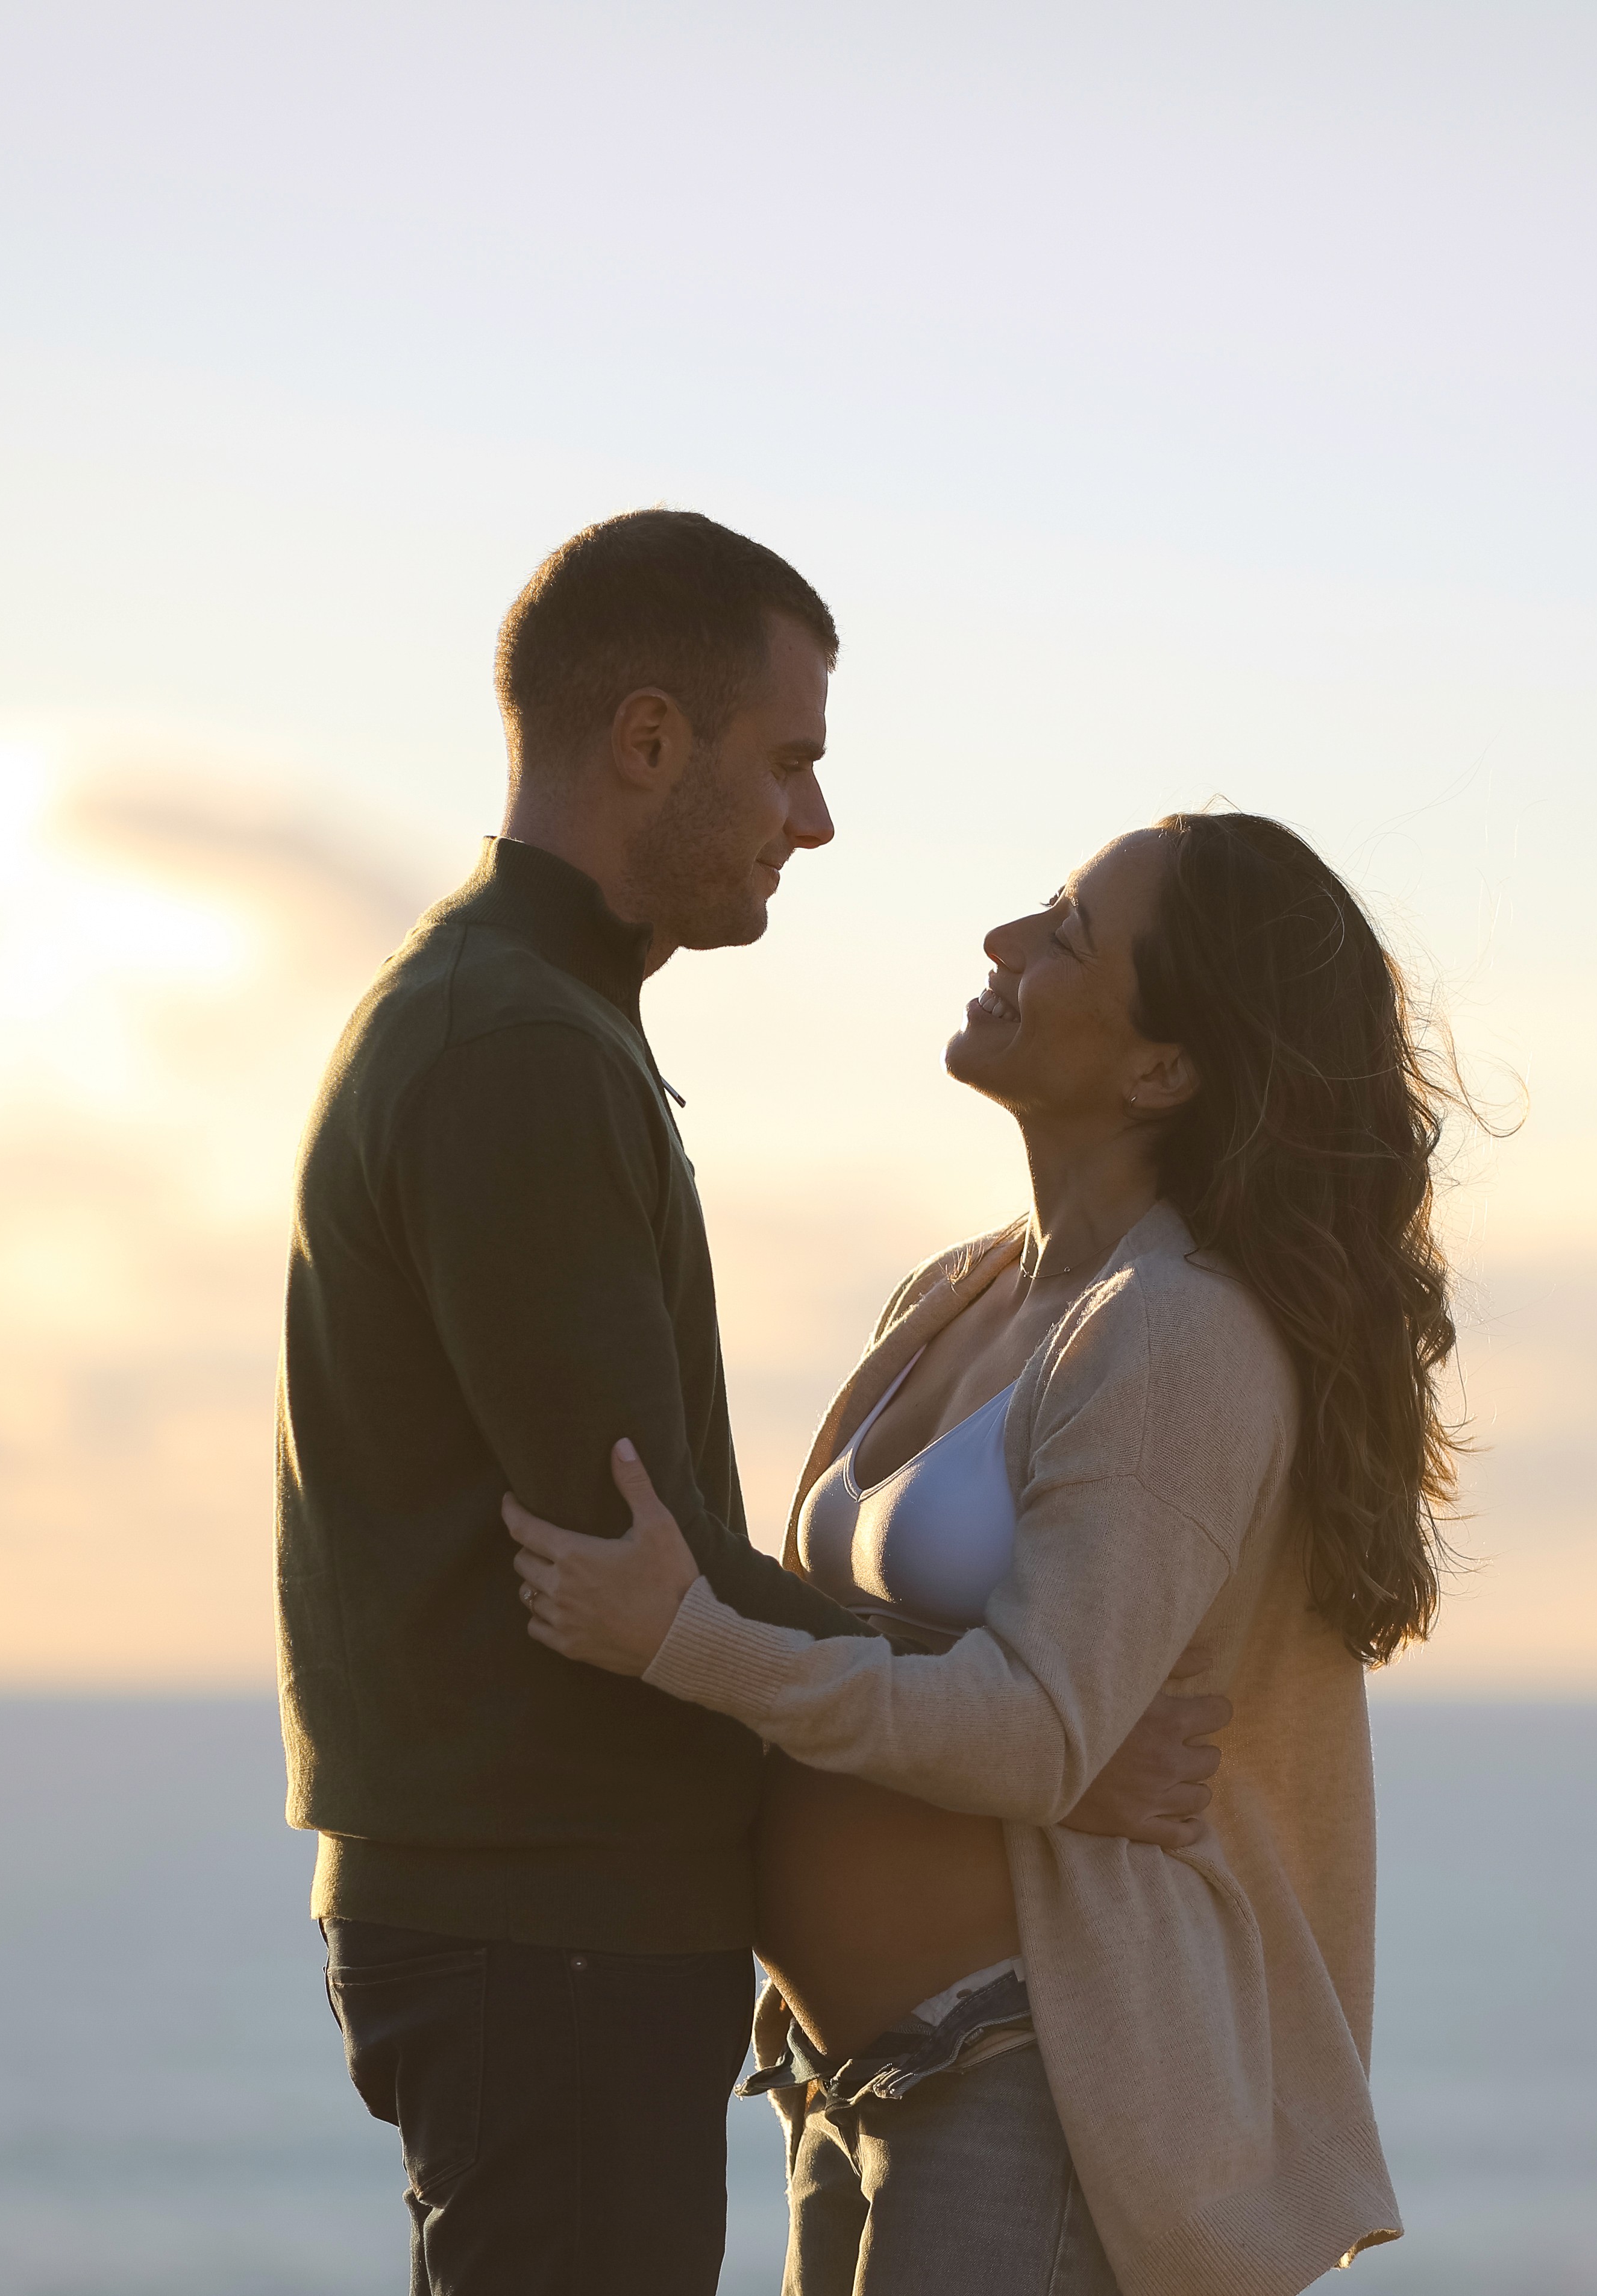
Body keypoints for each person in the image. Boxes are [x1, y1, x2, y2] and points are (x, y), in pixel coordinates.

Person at [274, 509, 1228, 2296]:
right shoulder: (517, 1047)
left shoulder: (534, 1015)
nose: (814, 817)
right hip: (544, 1925)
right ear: (647, 742)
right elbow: (648, 1564)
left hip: (542, 1925)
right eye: (787, 761)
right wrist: (1039, 1736)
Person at [509, 811, 1464, 2295]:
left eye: (1066, 935)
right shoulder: (958, 1293)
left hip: (1032, 2090)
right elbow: (962, 1687)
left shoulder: (1173, 1336)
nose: (1003, 946)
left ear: (1163, 1067)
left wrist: (683, 1638)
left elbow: (1029, 1734)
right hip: (849, 2084)